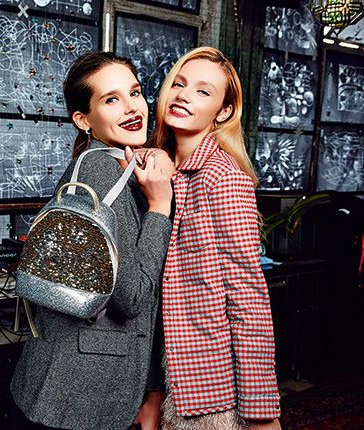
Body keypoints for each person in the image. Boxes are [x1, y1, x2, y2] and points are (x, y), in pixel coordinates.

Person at [10, 51, 174, 430]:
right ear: (83, 120)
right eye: (111, 99)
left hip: (63, 384)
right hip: (78, 392)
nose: (131, 108)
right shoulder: (101, 171)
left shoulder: (105, 163)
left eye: (135, 93)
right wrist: (160, 207)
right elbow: (132, 298)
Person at [149, 47, 281, 430]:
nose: (183, 96)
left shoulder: (223, 178)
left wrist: (262, 413)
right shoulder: (160, 171)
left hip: (209, 385)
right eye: (179, 84)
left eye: (203, 91)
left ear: (223, 112)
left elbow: (249, 296)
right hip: (162, 373)